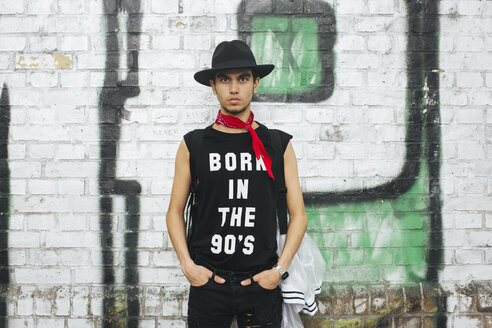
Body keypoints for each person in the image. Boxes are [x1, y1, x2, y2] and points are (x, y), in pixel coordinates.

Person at [166, 40, 308, 328]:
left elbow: (299, 215)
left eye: (243, 78)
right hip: (208, 284)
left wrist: (279, 271)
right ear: (213, 86)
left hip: (260, 285)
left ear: (256, 84)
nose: (234, 88)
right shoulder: (195, 144)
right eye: (224, 79)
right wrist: (188, 266)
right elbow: (174, 211)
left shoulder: (278, 144)